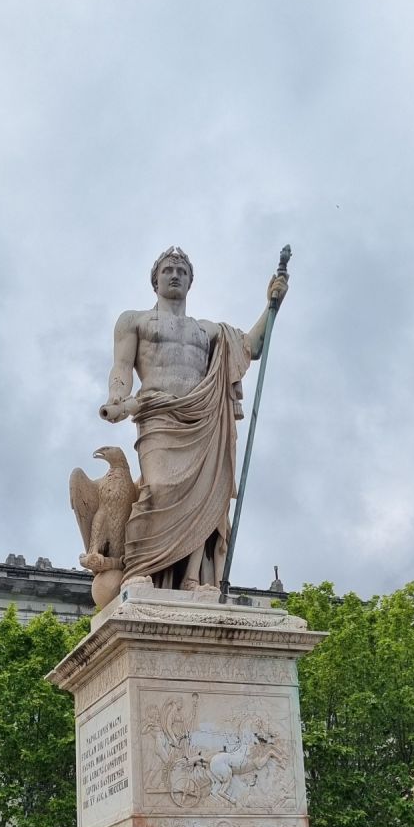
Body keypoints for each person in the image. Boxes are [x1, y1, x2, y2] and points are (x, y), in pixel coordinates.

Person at [100, 248, 288, 591]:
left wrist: (272, 305)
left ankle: (191, 580)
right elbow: (122, 367)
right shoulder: (134, 320)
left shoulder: (209, 330)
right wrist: (117, 396)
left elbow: (252, 347)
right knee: (158, 488)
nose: (175, 275)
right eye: (167, 270)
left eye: (181, 271)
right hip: (157, 413)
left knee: (205, 498)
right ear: (155, 280)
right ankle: (139, 569)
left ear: (190, 282)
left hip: (202, 418)